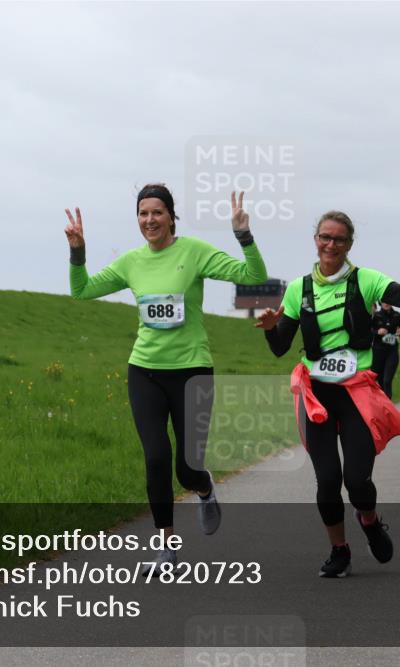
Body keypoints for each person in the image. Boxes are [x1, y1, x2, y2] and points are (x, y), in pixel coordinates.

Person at [66, 185, 267, 569]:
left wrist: (243, 234)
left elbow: (253, 274)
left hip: (192, 372)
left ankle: (204, 489)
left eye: (157, 213)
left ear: (171, 216)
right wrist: (78, 252)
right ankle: (166, 548)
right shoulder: (131, 262)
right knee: (156, 457)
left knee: (187, 468)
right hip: (145, 371)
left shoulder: (193, 252)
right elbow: (82, 291)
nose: (149, 220)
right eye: (142, 213)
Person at [255, 210, 400, 578]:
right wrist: (270, 328)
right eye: (324, 237)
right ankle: (339, 550)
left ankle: (370, 520)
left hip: (357, 394)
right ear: (315, 239)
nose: (331, 245)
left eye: (339, 239)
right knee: (327, 480)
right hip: (316, 396)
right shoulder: (299, 289)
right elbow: (281, 347)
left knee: (357, 481)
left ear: (349, 245)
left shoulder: (367, 280)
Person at [370, 303, 400, 399]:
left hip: (392, 352)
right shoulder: (376, 316)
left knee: (387, 381)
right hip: (378, 353)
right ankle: (381, 406)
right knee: (379, 382)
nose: (386, 303)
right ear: (380, 302)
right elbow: (369, 331)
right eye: (384, 301)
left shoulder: (397, 315)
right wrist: (377, 332)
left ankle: (389, 408)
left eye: (389, 301)